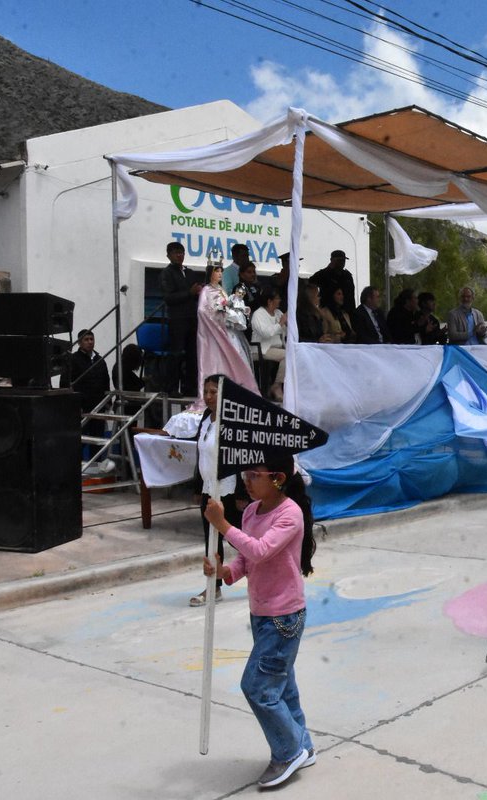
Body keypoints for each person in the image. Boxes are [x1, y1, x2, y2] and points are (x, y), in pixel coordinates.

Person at [201, 452, 318, 788]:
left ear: (278, 478)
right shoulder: (252, 511)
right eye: (245, 475)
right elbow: (247, 560)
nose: (247, 482)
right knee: (284, 687)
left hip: (284, 616)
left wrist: (222, 525)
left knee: (258, 687)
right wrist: (224, 572)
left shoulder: (290, 514)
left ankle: (287, 751)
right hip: (262, 614)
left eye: (255, 475)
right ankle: (303, 746)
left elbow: (261, 549)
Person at [191, 375, 249, 606]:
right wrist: (198, 486)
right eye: (206, 392)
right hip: (209, 487)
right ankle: (212, 587)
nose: (208, 397)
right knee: (211, 540)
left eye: (214, 392)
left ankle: (263, 568)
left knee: (239, 538)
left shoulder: (233, 421)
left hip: (230, 489)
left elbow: (240, 459)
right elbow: (201, 453)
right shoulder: (206, 417)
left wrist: (242, 493)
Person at [197, 261, 259, 400]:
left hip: (229, 332)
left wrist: (232, 312)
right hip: (215, 334)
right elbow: (203, 311)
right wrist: (221, 313)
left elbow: (231, 305)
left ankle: (237, 393)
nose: (219, 274)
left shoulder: (222, 290)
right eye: (216, 271)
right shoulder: (207, 290)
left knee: (236, 361)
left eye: (221, 271)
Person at [160, 241, 201, 396]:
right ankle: (171, 388)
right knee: (176, 353)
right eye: (176, 252)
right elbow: (168, 297)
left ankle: (190, 387)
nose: (179, 255)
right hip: (177, 319)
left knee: (192, 354)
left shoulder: (190, 273)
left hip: (192, 318)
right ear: (168, 255)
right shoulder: (167, 273)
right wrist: (189, 293)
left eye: (182, 252)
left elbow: (195, 292)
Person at [62, 329, 111, 456]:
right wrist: (72, 405)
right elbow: (65, 383)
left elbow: (106, 380)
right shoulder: (73, 360)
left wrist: (108, 403)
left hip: (98, 406)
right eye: (86, 339)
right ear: (79, 342)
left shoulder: (100, 360)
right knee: (78, 441)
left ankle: (96, 468)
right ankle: (73, 469)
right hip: (81, 407)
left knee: (97, 440)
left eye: (91, 339)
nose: (90, 342)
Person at [251, 288, 287, 401]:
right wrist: (280, 323)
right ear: (269, 301)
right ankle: (276, 386)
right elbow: (266, 333)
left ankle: (278, 385)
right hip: (262, 349)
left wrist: (288, 323)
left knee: (296, 354)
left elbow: (284, 331)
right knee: (289, 356)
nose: (280, 300)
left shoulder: (278, 313)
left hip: (277, 348)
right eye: (277, 298)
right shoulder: (258, 314)